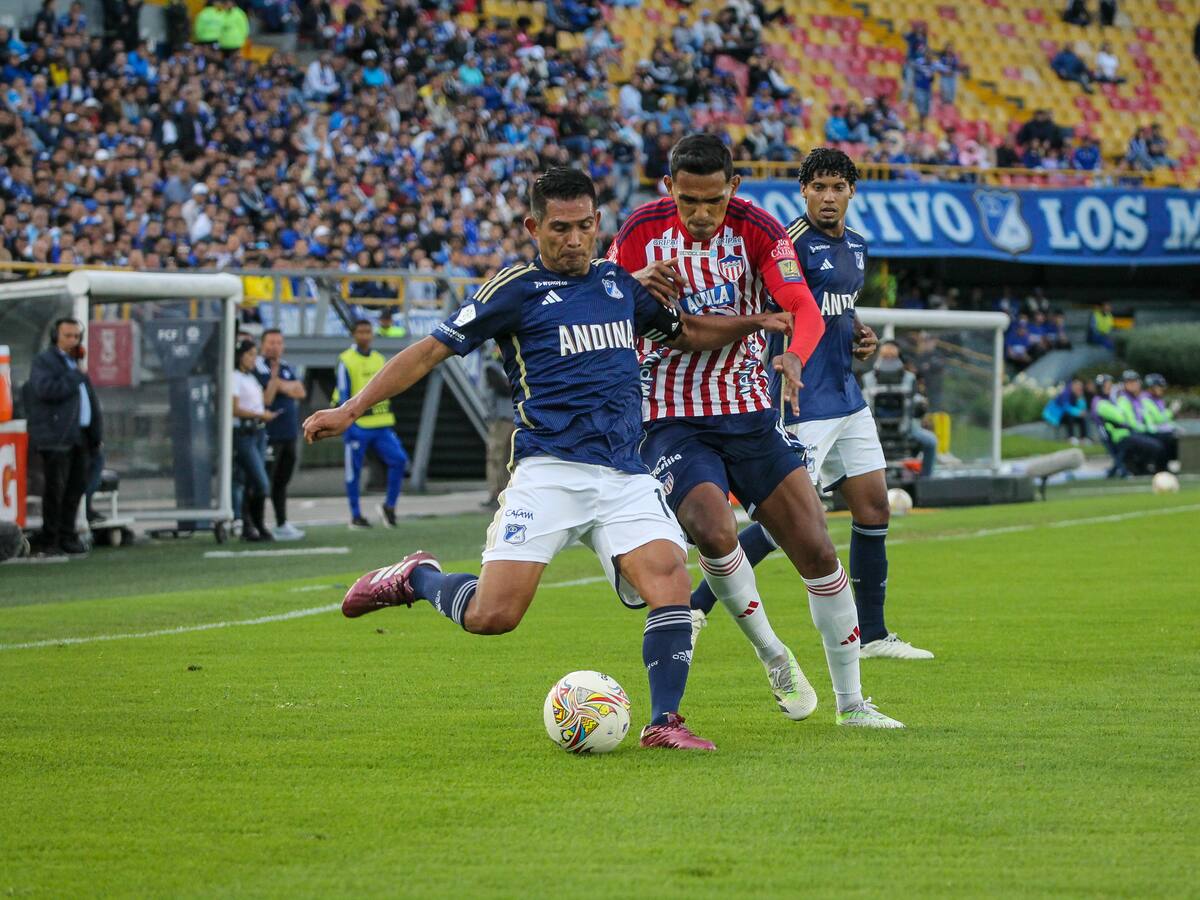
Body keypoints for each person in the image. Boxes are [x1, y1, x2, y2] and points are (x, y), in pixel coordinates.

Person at [303, 168, 792, 751]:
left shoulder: (620, 286)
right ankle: (416, 577)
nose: (575, 240)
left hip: (623, 472)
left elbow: (683, 333)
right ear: (534, 226)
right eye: (560, 228)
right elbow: (429, 351)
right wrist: (351, 409)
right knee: (494, 615)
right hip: (549, 471)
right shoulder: (511, 291)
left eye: (586, 226)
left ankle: (665, 722)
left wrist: (756, 323)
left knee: (670, 581)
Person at [611, 134, 904, 727]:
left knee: (818, 549)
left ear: (733, 189)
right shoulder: (641, 229)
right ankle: (773, 653)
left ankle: (853, 705)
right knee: (713, 528)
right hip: (671, 416)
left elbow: (802, 305)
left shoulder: (759, 230)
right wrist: (634, 280)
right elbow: (606, 303)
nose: (700, 214)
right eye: (688, 200)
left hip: (748, 411)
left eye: (713, 201)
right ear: (670, 188)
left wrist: (794, 353)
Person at [690, 149, 932, 661]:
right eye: (818, 187)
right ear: (804, 191)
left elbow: (836, 310)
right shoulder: (789, 245)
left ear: (851, 192)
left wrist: (860, 334)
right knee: (788, 524)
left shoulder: (858, 248)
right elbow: (777, 305)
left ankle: (873, 636)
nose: (827, 196)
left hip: (847, 395)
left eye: (837, 187)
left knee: (873, 507)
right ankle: (695, 608)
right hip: (802, 401)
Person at [23, 317, 100, 556]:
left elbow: (89, 401)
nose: (73, 340)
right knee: (55, 489)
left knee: (75, 488)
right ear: (56, 336)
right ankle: (51, 538)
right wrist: (76, 375)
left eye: (76, 336)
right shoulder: (45, 362)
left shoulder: (76, 364)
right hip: (56, 436)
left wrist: (96, 433)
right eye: (68, 335)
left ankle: (67, 535)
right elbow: (46, 390)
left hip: (80, 436)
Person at [334, 320, 409, 528]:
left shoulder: (378, 359)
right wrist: (347, 422)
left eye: (368, 331)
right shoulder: (346, 360)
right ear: (354, 334)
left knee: (400, 460)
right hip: (358, 425)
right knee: (354, 472)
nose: (365, 336)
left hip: (382, 424)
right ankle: (356, 515)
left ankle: (390, 507)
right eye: (361, 332)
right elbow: (342, 393)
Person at [255, 329, 307, 541]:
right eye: (271, 342)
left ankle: (281, 522)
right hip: (269, 434)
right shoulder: (258, 367)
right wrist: (279, 384)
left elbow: (301, 392)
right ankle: (255, 524)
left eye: (278, 342)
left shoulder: (285, 366)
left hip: (288, 433)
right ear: (262, 344)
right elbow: (267, 398)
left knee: (281, 481)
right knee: (262, 481)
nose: (275, 346)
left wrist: (280, 385)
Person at [863, 342, 939, 477]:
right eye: (885, 356)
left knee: (931, 442)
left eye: (892, 356)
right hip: (872, 430)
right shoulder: (867, 379)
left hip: (906, 428)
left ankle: (926, 480)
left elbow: (916, 405)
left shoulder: (910, 379)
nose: (888, 360)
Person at [232, 339, 276, 542]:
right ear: (240, 355)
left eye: (254, 355)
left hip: (258, 432)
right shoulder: (234, 377)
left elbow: (266, 400)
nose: (253, 359)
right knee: (260, 482)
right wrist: (259, 414)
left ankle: (253, 526)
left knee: (249, 481)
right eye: (249, 354)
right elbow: (234, 409)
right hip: (244, 432)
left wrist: (274, 374)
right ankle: (248, 523)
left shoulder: (251, 378)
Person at [1091, 371, 1164, 476]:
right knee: (1153, 445)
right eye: (1107, 386)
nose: (1110, 388)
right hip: (1118, 436)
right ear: (1100, 388)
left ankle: (1137, 468)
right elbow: (1120, 417)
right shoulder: (1100, 402)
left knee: (1153, 442)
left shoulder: (1110, 400)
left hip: (1125, 433)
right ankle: (1138, 469)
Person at [481, 346, 514, 509]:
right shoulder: (492, 366)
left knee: (509, 457)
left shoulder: (510, 363)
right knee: (496, 457)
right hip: (500, 418)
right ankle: (495, 492)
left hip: (513, 416)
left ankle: (508, 492)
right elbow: (504, 388)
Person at [1139, 373, 1181, 467]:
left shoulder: (1158, 400)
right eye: (1159, 386)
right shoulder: (1144, 400)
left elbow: (1165, 421)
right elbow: (1158, 418)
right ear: (1150, 388)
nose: (1162, 389)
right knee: (1170, 439)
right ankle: (1162, 466)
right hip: (1149, 431)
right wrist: (1172, 410)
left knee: (1177, 437)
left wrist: (1174, 427)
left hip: (1158, 431)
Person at [1043, 377, 1089, 443]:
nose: (1079, 389)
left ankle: (1084, 438)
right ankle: (1071, 437)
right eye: (1078, 387)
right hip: (1055, 416)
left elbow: (1082, 409)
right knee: (1070, 416)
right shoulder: (1065, 393)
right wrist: (1079, 412)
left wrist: (1080, 398)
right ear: (1073, 386)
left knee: (1082, 418)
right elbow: (1066, 408)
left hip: (1066, 415)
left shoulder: (1077, 395)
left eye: (1080, 388)